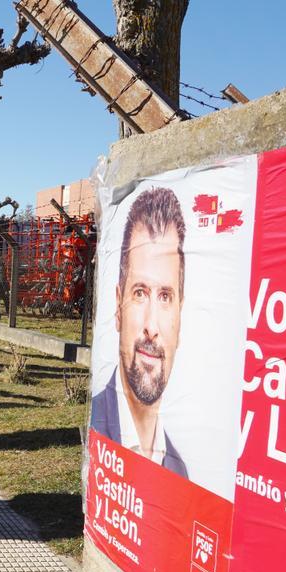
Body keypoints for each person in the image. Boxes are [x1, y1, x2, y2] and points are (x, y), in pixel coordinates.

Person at [89, 187, 187, 478]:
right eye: (140, 293)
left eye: (166, 296)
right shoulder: (98, 428)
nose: (152, 327)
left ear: (181, 316)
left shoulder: (180, 471)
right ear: (118, 306)